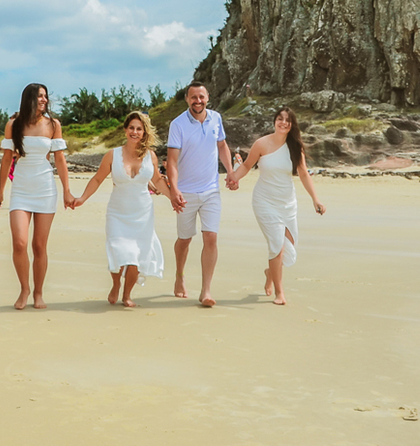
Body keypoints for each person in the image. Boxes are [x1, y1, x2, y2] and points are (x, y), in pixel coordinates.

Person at [225, 106, 326, 306]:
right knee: (277, 247)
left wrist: (316, 199)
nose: (283, 122)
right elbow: (246, 165)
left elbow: (304, 173)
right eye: (280, 118)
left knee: (290, 245)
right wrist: (233, 179)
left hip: (287, 203)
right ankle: (280, 293)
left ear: (292, 125)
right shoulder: (261, 144)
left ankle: (270, 272)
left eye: (287, 120)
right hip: (264, 201)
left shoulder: (295, 147)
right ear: (274, 121)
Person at [0, 83, 75, 310]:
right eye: (40, 96)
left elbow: (59, 159)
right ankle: (24, 289)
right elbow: (7, 159)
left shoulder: (53, 125)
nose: (44, 100)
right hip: (20, 188)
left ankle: (38, 293)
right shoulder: (14, 124)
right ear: (29, 98)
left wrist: (67, 191)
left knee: (39, 246)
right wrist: (1, 190)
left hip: (45, 189)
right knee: (19, 243)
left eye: (45, 97)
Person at [74, 111, 168, 308]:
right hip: (117, 213)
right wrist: (82, 198)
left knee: (135, 258)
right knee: (119, 251)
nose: (135, 132)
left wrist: (174, 198)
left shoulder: (150, 156)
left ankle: (127, 294)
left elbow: (158, 180)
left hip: (142, 214)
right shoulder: (112, 155)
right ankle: (116, 284)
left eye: (139, 129)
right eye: (131, 128)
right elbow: (98, 178)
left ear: (144, 133)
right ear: (125, 130)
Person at [166, 82, 237, 307]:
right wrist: (174, 189)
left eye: (202, 97)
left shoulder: (216, 119)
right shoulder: (177, 125)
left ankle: (206, 291)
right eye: (193, 97)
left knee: (211, 237)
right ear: (187, 99)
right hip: (185, 192)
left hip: (210, 191)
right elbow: (172, 161)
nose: (198, 101)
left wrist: (230, 172)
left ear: (208, 98)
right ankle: (179, 275)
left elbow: (222, 146)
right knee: (185, 239)